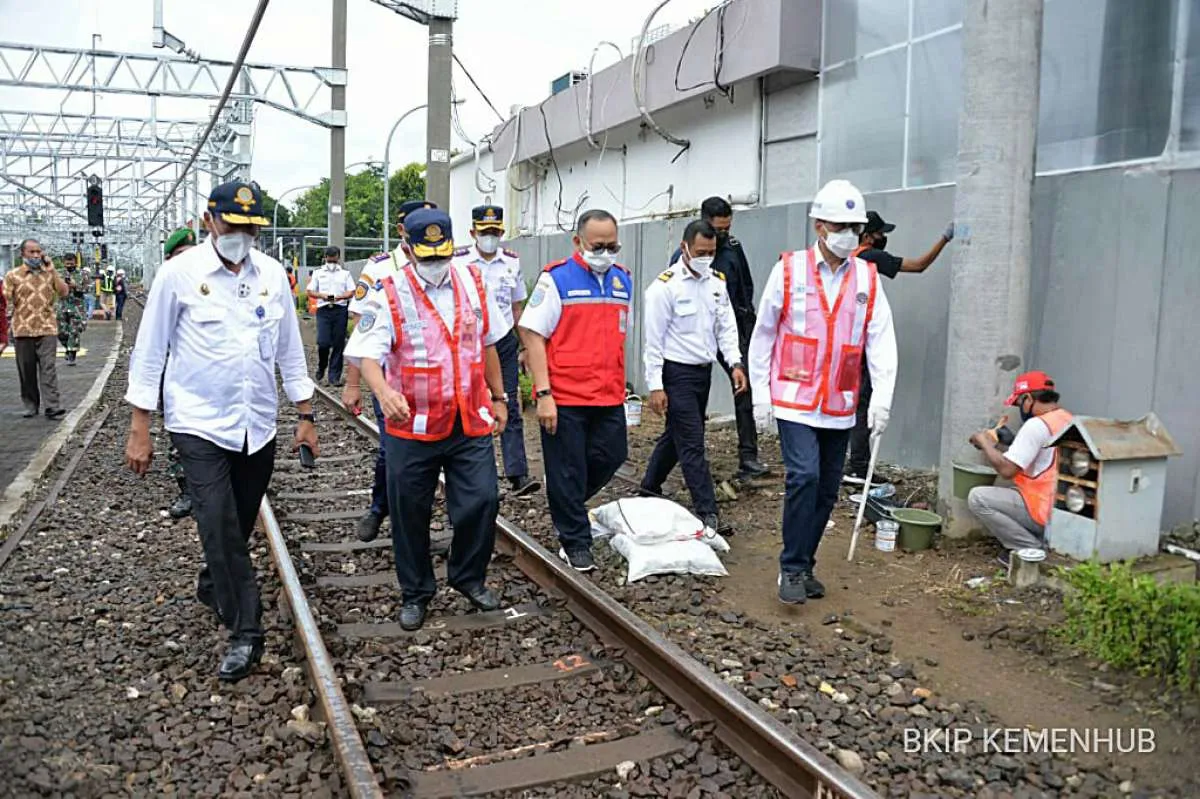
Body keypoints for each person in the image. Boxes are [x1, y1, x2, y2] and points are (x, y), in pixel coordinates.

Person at [124, 181, 317, 682]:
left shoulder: (273, 274)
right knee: (219, 524)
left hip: (258, 427)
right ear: (210, 221)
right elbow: (150, 352)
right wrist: (140, 425)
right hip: (197, 423)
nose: (242, 235)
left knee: (240, 517)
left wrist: (305, 415)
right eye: (233, 225)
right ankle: (246, 632)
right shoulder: (178, 275)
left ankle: (215, 583)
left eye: (250, 227)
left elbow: (289, 350)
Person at [344, 208, 510, 631]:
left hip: (467, 418)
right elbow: (368, 353)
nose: (436, 264)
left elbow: (487, 344)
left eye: (442, 255)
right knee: (409, 512)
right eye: (427, 257)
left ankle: (467, 576)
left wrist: (501, 396)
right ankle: (416, 592)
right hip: (411, 424)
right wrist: (382, 392)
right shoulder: (388, 290)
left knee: (483, 500)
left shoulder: (473, 283)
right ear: (408, 250)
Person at [748, 179, 897, 605]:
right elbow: (763, 335)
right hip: (794, 398)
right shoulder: (790, 269)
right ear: (819, 226)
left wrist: (882, 398)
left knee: (828, 487)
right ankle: (791, 568)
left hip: (840, 401)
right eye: (840, 224)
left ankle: (805, 563)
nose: (849, 233)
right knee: (804, 477)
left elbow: (880, 339)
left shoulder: (867, 277)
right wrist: (760, 394)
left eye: (855, 225)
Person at [519, 209, 633, 572]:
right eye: (598, 245)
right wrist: (543, 393)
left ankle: (565, 501)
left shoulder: (622, 280)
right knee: (567, 469)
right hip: (565, 395)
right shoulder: (557, 280)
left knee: (611, 456)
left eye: (612, 245)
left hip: (608, 393)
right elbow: (532, 334)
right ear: (578, 242)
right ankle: (575, 541)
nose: (606, 252)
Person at [642, 220, 747, 531]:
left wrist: (735, 364)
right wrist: (655, 386)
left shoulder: (716, 282)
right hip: (676, 374)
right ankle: (707, 511)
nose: (706, 257)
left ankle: (649, 486)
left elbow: (725, 327)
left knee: (677, 436)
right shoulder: (664, 287)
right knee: (692, 443)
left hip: (703, 373)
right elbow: (653, 341)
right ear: (685, 247)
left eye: (711, 252)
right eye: (700, 252)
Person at [344, 199, 436, 542]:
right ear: (401, 230)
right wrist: (354, 382)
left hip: (439, 381)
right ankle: (380, 508)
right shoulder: (380, 268)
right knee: (392, 450)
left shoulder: (448, 263)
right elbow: (361, 324)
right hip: (392, 379)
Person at [844, 210, 954, 484]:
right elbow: (918, 266)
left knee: (855, 402)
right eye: (881, 233)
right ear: (867, 235)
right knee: (862, 404)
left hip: (847, 341)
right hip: (860, 344)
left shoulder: (850, 257)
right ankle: (857, 467)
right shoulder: (869, 256)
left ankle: (855, 463)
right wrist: (945, 239)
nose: (884, 238)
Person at [669, 197, 768, 482]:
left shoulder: (734, 249)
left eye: (727, 228)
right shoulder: (684, 257)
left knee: (744, 388)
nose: (723, 235)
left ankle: (748, 456)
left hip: (731, 331)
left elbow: (745, 287)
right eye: (718, 229)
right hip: (696, 338)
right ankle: (689, 454)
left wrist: (745, 323)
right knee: (691, 397)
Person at [453, 205, 540, 498]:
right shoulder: (459, 262)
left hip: (502, 341)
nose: (489, 237)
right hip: (469, 343)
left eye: (494, 232)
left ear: (501, 232)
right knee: (472, 406)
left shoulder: (511, 263)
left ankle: (518, 474)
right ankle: (480, 476)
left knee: (509, 405)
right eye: (484, 232)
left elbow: (517, 308)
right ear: (472, 233)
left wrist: (525, 345)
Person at [967, 371, 1073, 561]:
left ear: (1028, 399)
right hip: (1061, 512)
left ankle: (1029, 548)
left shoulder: (1035, 425)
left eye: (1018, 404)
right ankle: (1040, 541)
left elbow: (1007, 470)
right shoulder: (1065, 418)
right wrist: (1013, 442)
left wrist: (984, 443)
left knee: (978, 498)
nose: (1019, 409)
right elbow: (1044, 452)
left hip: (1041, 511)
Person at [4, 239, 68, 419]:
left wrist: (53, 270)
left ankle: (53, 407)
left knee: (49, 368)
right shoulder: (13, 275)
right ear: (22, 254)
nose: (36, 255)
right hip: (22, 329)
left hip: (47, 328)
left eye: (38, 252)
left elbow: (63, 292)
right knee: (27, 370)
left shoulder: (49, 273)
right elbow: (6, 299)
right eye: (32, 252)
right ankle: (31, 404)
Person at [161, 228, 198, 519]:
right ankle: (187, 491)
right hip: (177, 375)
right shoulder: (167, 284)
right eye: (181, 255)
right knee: (180, 438)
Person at [306, 245, 355, 385]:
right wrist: (322, 295)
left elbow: (351, 291)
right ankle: (322, 366)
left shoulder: (345, 274)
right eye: (330, 260)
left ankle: (334, 377)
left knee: (339, 344)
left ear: (338, 258)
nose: (332, 264)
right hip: (324, 310)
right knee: (323, 342)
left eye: (334, 261)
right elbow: (310, 291)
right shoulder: (318, 273)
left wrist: (339, 297)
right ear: (325, 258)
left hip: (340, 310)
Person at [56, 253, 87, 365]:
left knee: (74, 331)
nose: (69, 265)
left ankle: (71, 354)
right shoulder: (59, 274)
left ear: (76, 263)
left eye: (71, 263)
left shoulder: (83, 274)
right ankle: (67, 348)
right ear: (64, 263)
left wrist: (76, 286)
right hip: (62, 306)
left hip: (76, 306)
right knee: (61, 331)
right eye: (67, 263)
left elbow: (88, 289)